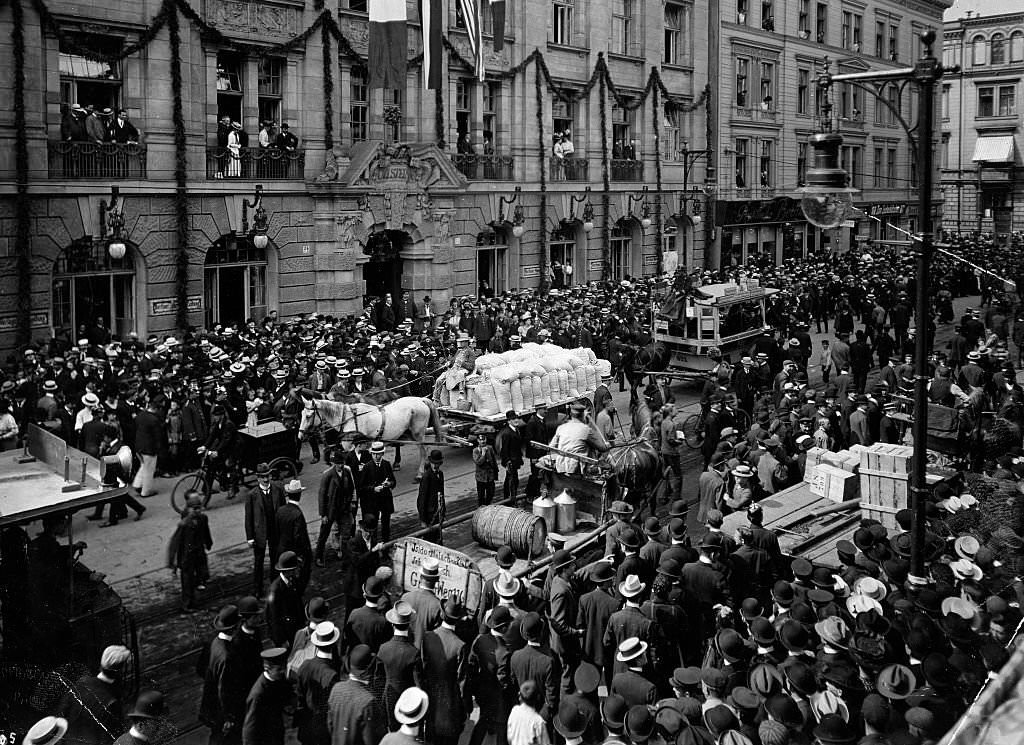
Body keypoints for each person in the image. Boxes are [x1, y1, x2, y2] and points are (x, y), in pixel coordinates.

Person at [57, 644, 132, 745]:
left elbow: (60, 717)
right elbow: (114, 740)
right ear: (119, 671)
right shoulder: (112, 703)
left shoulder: (81, 683)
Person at [198, 605, 244, 744]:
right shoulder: (227, 656)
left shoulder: (214, 642)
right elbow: (224, 689)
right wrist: (229, 717)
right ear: (233, 629)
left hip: (211, 705)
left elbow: (201, 669)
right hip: (223, 711)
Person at [327, 644, 387, 745]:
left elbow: (330, 725)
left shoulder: (336, 689)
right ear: (370, 669)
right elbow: (372, 740)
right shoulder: (368, 701)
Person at [167, 491, 213, 613]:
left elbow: (206, 532)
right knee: (187, 581)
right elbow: (175, 543)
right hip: (186, 557)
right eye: (194, 509)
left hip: (199, 552)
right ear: (189, 509)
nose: (197, 511)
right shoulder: (184, 524)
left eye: (199, 508)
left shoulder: (203, 518)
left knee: (201, 574)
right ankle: (187, 605)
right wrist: (173, 562)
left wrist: (208, 543)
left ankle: (196, 597)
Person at [244, 462, 284, 597]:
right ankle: (257, 589)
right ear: (258, 478)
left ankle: (274, 586)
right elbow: (248, 518)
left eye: (267, 476)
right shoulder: (252, 495)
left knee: (275, 559)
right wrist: (250, 537)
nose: (266, 480)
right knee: (259, 561)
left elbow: (283, 510)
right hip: (259, 533)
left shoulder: (278, 490)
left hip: (275, 530)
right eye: (262, 477)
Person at [241, 648, 293, 745]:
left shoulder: (278, 679)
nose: (283, 671)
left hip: (276, 735)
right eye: (279, 669)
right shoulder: (258, 695)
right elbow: (250, 730)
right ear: (267, 668)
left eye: (284, 667)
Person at [316, 451, 357, 566]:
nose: (340, 465)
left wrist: (352, 502)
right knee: (323, 535)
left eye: (342, 463)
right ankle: (318, 557)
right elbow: (322, 495)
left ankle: (345, 558)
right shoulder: (327, 475)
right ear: (333, 463)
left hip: (344, 509)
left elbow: (352, 488)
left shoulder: (347, 472)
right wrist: (323, 514)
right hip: (331, 510)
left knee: (345, 535)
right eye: (338, 463)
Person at [276, 479, 313, 592]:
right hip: (293, 554)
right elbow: (299, 538)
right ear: (299, 494)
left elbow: (276, 531)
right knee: (297, 581)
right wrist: (306, 554)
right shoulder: (297, 514)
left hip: (281, 551)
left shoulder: (280, 510)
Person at [265, 551, 305, 648]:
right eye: (296, 568)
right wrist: (281, 640)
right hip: (286, 634)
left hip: (296, 629)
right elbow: (272, 618)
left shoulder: (293, 581)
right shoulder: (275, 590)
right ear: (289, 571)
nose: (298, 570)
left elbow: (298, 604)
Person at [359, 441, 396, 540]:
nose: (375, 456)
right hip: (373, 502)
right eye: (374, 454)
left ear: (382, 454)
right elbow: (361, 487)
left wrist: (389, 484)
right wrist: (373, 489)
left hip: (385, 500)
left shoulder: (386, 464)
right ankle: (373, 546)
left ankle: (386, 544)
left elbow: (393, 481)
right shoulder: (367, 467)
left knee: (386, 525)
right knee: (373, 526)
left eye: (378, 454)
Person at [507, 681, 551, 745]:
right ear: (537, 697)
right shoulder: (538, 721)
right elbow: (545, 743)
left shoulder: (514, 711)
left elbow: (509, 738)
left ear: (520, 697)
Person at [417, 450, 446, 545]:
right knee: (429, 539)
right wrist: (423, 520)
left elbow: (442, 493)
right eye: (434, 463)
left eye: (437, 463)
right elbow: (421, 499)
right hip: (429, 515)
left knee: (438, 536)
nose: (435, 465)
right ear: (430, 463)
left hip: (438, 512)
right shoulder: (426, 477)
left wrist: (443, 510)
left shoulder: (440, 474)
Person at [472, 425, 499, 506]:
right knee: (481, 496)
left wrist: (496, 474)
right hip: (481, 478)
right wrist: (483, 454)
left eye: (484, 440)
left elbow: (494, 461)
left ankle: (488, 505)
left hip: (490, 476)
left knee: (490, 494)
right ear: (478, 441)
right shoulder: (476, 451)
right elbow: (478, 462)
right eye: (480, 440)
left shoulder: (490, 448)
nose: (482, 442)